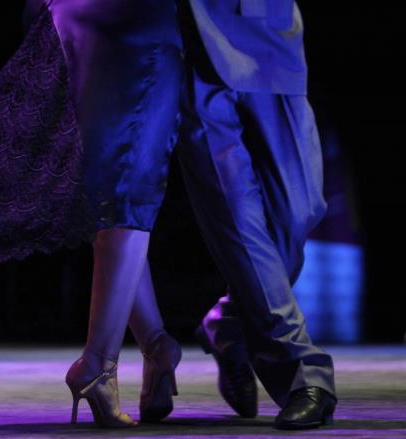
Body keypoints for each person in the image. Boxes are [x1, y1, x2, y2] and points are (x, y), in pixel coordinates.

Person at [0, 0, 184, 428]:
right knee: (131, 188)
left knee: (108, 190)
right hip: (138, 20)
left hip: (74, 16)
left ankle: (156, 345)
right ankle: (98, 364)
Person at [175, 0, 337, 429]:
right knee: (238, 221)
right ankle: (305, 374)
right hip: (194, 43)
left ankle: (229, 324)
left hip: (272, 34)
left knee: (299, 211)